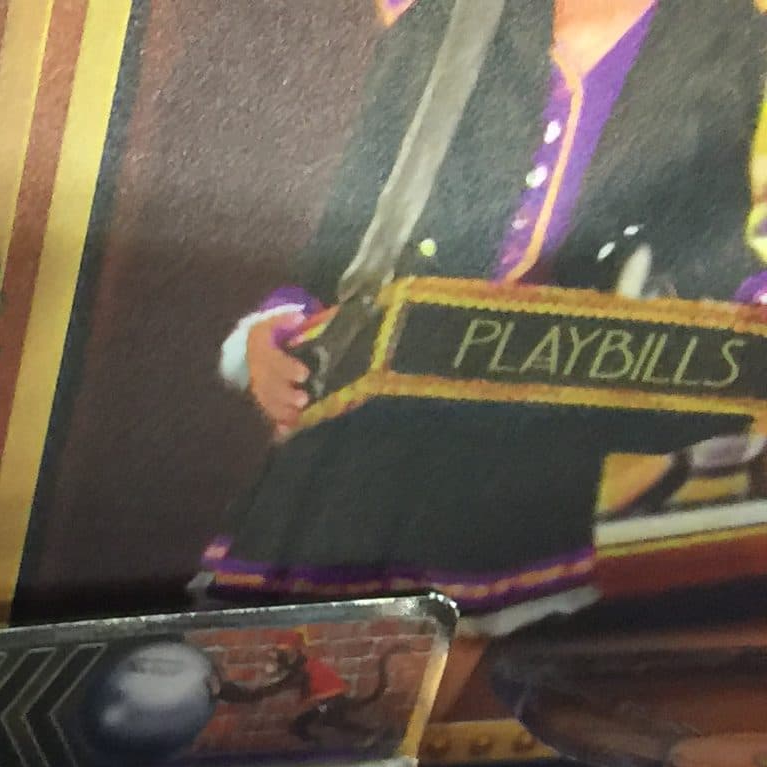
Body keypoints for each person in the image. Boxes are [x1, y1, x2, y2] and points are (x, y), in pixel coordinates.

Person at [202, 0, 767, 628]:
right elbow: (347, 241)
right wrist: (274, 335)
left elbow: (736, 263)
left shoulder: (739, 40)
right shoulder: (441, 23)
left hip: (588, 456)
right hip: (379, 447)